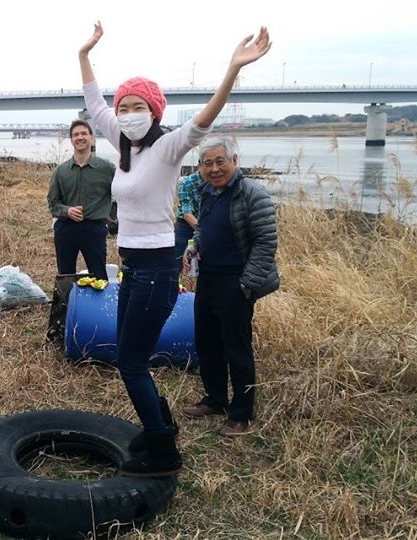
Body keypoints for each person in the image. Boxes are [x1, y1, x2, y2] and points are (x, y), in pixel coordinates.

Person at [79, 21, 271, 476]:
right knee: (133, 356)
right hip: (130, 266)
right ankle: (160, 423)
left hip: (158, 268)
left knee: (128, 362)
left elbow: (205, 118)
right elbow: (91, 101)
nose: (126, 113)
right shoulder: (121, 146)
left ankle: (164, 451)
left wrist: (232, 69)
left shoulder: (167, 148)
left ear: (154, 110)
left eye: (136, 106)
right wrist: (85, 53)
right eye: (122, 106)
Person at [182, 138, 279, 436]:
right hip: (208, 278)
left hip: (236, 282)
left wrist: (246, 285)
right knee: (206, 342)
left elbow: (266, 243)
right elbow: (202, 228)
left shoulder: (253, 193)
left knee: (237, 349)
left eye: (220, 161)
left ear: (234, 160)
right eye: (207, 163)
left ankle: (241, 413)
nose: (214, 169)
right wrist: (194, 248)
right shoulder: (208, 192)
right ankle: (215, 399)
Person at [47, 119, 116, 279]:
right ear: (71, 140)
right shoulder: (61, 171)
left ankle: (98, 304)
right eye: (76, 135)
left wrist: (111, 214)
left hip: (94, 229)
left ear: (92, 138)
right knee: (65, 276)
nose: (80, 137)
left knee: (98, 275)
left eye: (84, 133)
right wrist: (67, 210)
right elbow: (53, 203)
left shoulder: (107, 168)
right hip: (65, 228)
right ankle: (67, 304)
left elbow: (123, 194)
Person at [173, 170, 203, 272]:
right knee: (176, 258)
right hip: (185, 223)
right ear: (200, 166)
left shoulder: (216, 182)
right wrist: (204, 232)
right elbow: (187, 214)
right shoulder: (187, 182)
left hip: (205, 222)